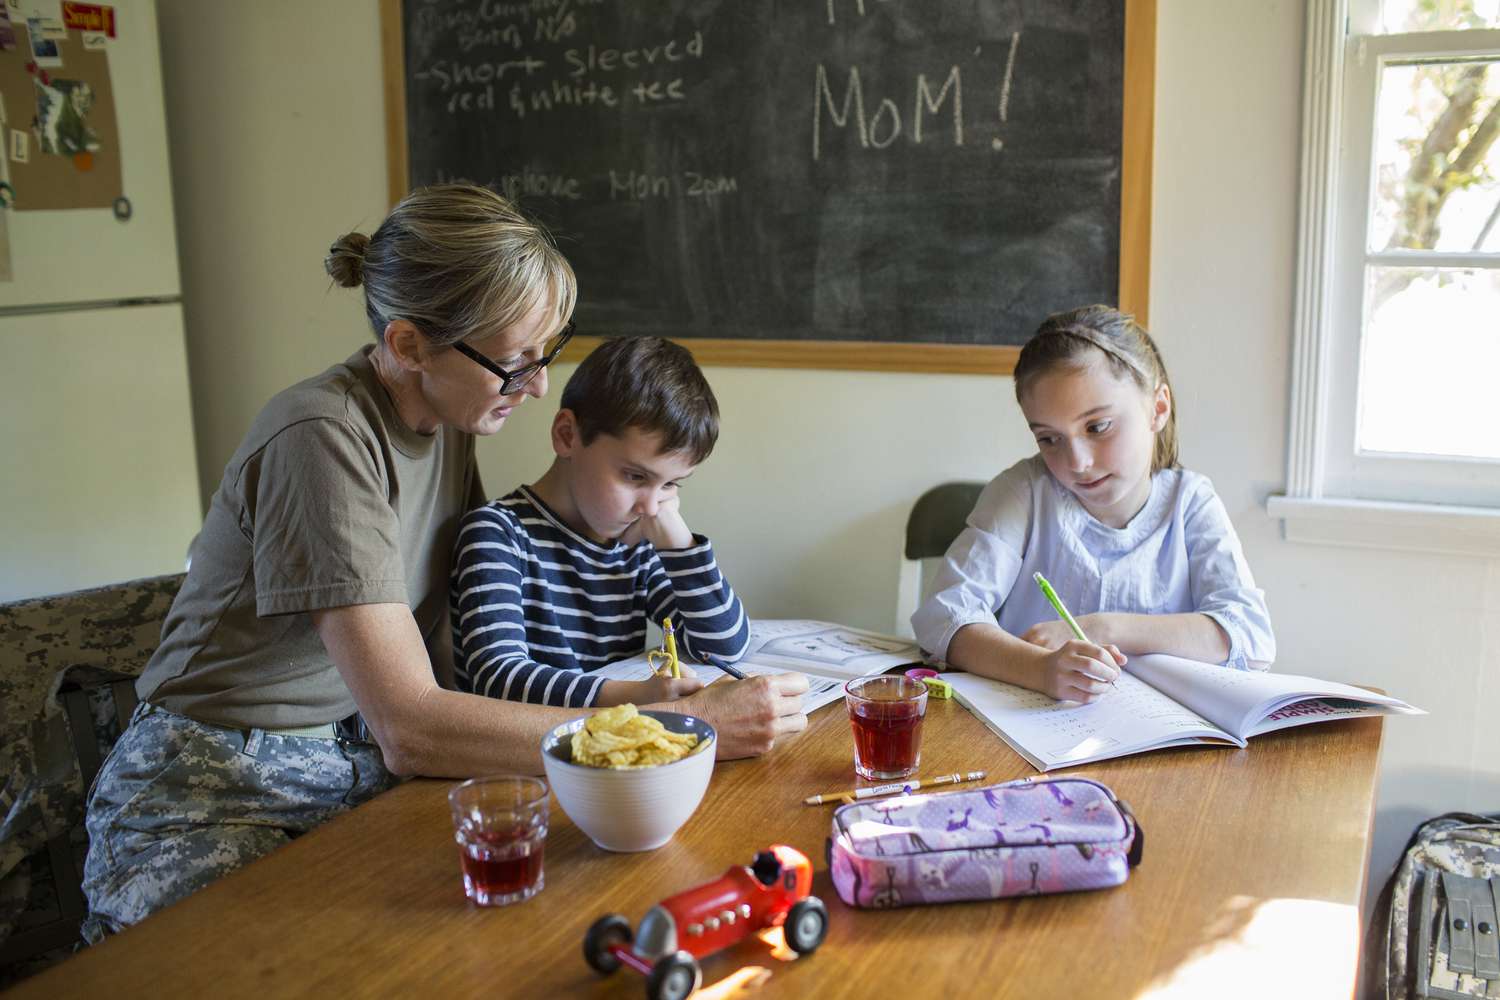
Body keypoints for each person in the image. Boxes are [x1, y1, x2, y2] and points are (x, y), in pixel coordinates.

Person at [80, 185, 805, 940]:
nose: (537, 386)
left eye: (546, 354)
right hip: (214, 791)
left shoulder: (453, 420)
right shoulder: (321, 437)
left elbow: (452, 653)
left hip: (350, 773)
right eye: (513, 363)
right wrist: (670, 726)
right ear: (407, 346)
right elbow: (412, 726)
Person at [911, 304, 1274, 704]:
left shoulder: (1190, 502)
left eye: (1098, 427)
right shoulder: (1024, 492)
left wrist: (1103, 628)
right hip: (1030, 738)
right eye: (1049, 438)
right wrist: (1040, 670)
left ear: (1158, 408)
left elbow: (1250, 637)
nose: (1077, 463)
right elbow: (943, 617)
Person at [451, 336, 752, 708]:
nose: (652, 506)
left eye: (670, 484)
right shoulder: (497, 534)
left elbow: (722, 646)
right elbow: (497, 676)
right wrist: (636, 698)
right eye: (635, 477)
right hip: (520, 757)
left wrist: (681, 546)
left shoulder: (637, 544)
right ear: (567, 436)